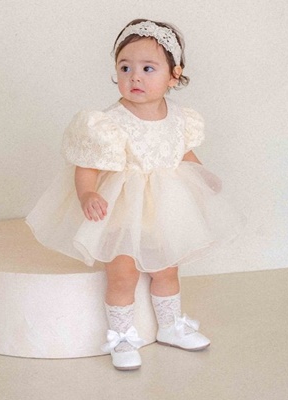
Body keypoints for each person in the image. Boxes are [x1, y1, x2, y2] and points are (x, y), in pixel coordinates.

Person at [27, 19, 244, 371]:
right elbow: (87, 166)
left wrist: (203, 178)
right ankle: (122, 336)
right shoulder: (109, 122)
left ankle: (170, 325)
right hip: (122, 212)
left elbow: (183, 153)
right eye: (125, 68)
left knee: (167, 270)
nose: (135, 77)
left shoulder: (179, 118)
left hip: (164, 211)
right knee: (123, 275)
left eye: (148, 68)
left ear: (174, 75)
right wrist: (87, 194)